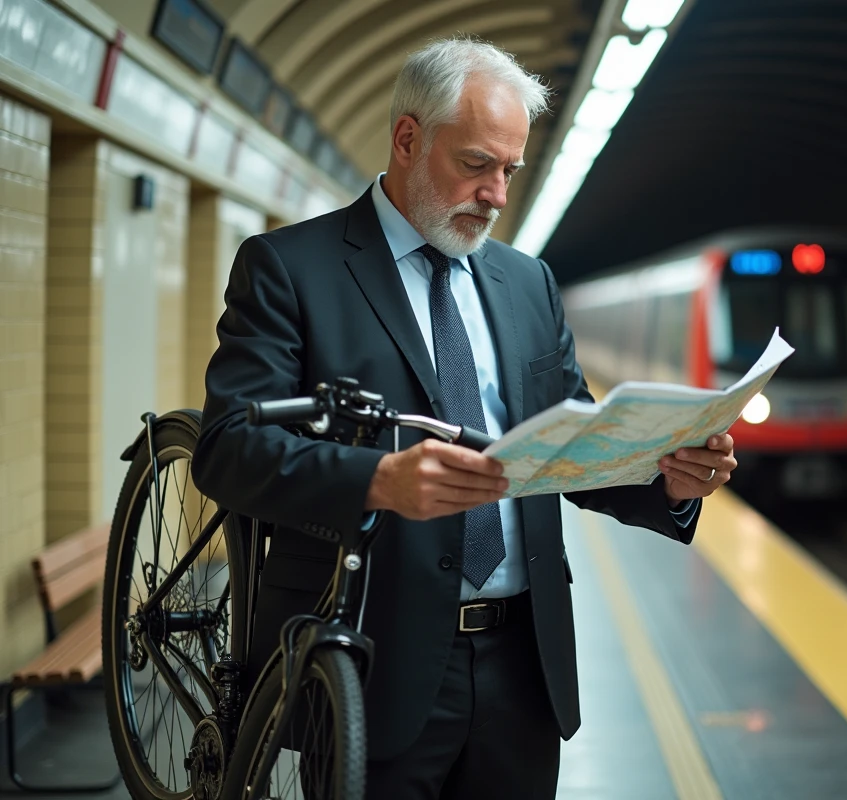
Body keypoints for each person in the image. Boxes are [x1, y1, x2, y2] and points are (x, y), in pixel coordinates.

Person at [191, 37, 737, 799]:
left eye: (510, 170)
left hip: (524, 664)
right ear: (408, 138)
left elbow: (571, 444)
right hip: (372, 663)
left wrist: (668, 480)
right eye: (478, 164)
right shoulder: (290, 268)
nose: (497, 195)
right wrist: (376, 481)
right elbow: (225, 450)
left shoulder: (527, 282)